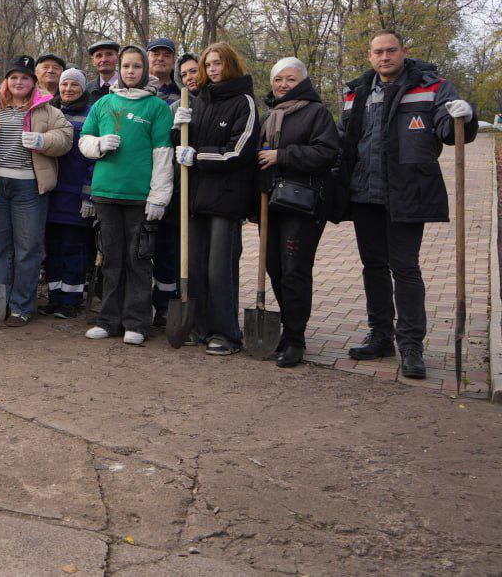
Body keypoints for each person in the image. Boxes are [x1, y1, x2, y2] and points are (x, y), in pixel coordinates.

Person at [335, 31, 478, 378]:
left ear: (404, 52)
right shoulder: (356, 92)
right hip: (364, 193)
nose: (384, 57)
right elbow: (343, 137)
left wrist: (465, 118)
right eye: (378, 52)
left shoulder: (431, 86)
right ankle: (380, 335)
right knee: (373, 266)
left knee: (406, 269)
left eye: (391, 51)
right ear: (370, 56)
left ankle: (411, 345)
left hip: (406, 192)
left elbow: (448, 129)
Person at [0, 55, 73, 326]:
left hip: (30, 188)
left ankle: (21, 305)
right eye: (14, 77)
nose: (19, 82)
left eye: (24, 78)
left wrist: (43, 140)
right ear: (6, 80)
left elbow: (66, 137)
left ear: (33, 82)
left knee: (28, 247)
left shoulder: (47, 109)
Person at [79, 48, 174, 345]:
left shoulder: (156, 107)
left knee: (138, 260)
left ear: (145, 70)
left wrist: (159, 197)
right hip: (106, 193)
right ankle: (108, 320)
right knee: (111, 260)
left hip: (139, 196)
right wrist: (98, 144)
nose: (131, 71)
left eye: (136, 66)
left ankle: (136, 322)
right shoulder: (104, 103)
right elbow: (83, 141)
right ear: (119, 69)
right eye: (126, 66)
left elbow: (163, 155)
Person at [173, 42, 259, 355]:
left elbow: (239, 150)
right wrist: (177, 128)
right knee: (195, 267)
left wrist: (198, 157)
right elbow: (183, 148)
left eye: (218, 64)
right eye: (208, 64)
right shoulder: (200, 102)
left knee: (219, 269)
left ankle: (226, 333)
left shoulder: (244, 102)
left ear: (230, 65)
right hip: (196, 199)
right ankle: (200, 327)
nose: (212, 70)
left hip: (225, 200)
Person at [256, 58, 340, 368]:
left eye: (290, 79)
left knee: (294, 270)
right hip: (271, 205)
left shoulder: (316, 113)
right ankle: (289, 329)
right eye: (278, 79)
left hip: (303, 205)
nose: (283, 85)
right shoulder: (268, 116)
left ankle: (295, 339)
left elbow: (327, 152)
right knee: (274, 268)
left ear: (302, 82)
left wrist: (281, 155)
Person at [40, 69, 96, 319]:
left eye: (75, 84)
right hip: (51, 193)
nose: (68, 89)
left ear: (83, 88)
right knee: (52, 248)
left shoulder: (91, 114)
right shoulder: (49, 111)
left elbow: (94, 159)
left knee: (73, 248)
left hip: (75, 197)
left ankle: (71, 299)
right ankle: (54, 297)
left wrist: (88, 194)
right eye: (65, 84)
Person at [145, 37, 181, 325]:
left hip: (171, 182)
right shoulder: (134, 93)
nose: (160, 59)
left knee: (168, 249)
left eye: (165, 55)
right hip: (138, 180)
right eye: (154, 54)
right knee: (140, 247)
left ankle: (167, 305)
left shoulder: (183, 96)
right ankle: (140, 304)